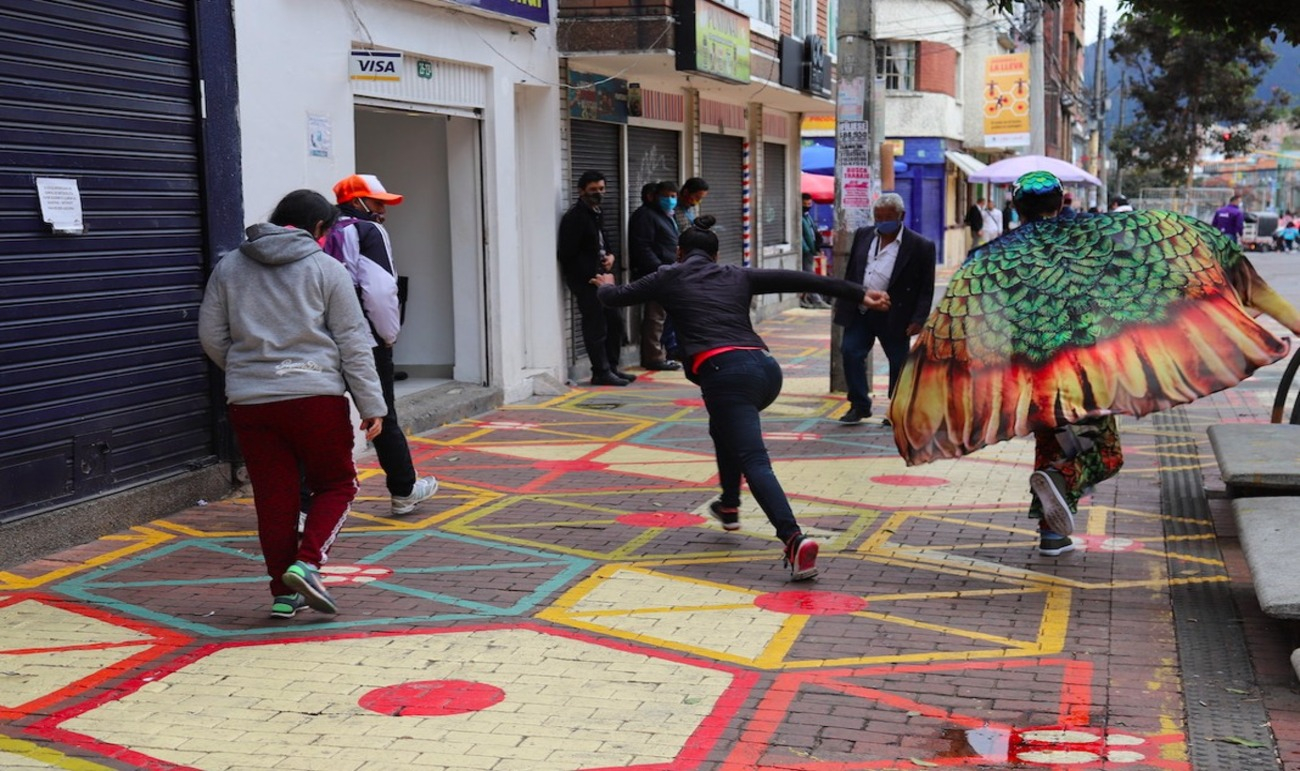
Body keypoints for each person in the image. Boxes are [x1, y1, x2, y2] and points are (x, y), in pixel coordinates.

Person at [593, 215, 889, 581]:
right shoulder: (737, 274)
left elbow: (615, 298)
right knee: (724, 430)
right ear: (716, 257)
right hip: (765, 370)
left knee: (753, 458)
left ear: (679, 253)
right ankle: (729, 505)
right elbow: (804, 278)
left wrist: (605, 282)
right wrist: (862, 293)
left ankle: (794, 538)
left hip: (726, 375)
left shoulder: (670, 273)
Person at [198, 189, 386, 618]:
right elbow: (353, 342)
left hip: (250, 403)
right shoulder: (326, 269)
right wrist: (372, 404)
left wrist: (249, 371)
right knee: (338, 483)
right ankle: (308, 564)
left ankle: (284, 594)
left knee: (274, 497)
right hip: (314, 398)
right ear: (320, 229)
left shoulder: (230, 266)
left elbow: (211, 334)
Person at [1010, 171, 1124, 556]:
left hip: (1036, 375)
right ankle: (1060, 480)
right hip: (1082, 372)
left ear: (1016, 210)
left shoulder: (1006, 256)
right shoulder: (1084, 248)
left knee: (1052, 449)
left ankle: (1053, 535)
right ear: (1061, 204)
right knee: (1104, 453)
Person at [329, 174, 439, 515]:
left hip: (321, 339)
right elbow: (379, 291)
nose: (383, 211)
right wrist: (389, 335)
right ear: (358, 202)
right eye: (377, 203)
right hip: (364, 339)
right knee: (381, 412)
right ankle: (404, 489)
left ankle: (309, 500)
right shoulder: (368, 231)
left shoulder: (324, 229)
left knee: (326, 417)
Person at [832, 193, 937, 425]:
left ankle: (897, 409)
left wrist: (919, 318)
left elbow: (926, 287)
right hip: (861, 310)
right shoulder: (863, 235)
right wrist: (845, 302)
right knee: (850, 351)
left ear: (902, 216)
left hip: (896, 314)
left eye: (888, 217)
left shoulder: (921, 246)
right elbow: (852, 272)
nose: (882, 222)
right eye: (878, 217)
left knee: (898, 362)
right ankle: (859, 405)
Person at [558, 170, 637, 386]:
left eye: (601, 189)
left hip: (603, 279)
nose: (598, 194)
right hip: (588, 282)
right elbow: (567, 254)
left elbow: (604, 242)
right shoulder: (575, 218)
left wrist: (611, 257)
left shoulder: (596, 213)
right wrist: (589, 276)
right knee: (596, 327)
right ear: (581, 190)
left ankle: (612, 367)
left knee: (615, 323)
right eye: (593, 190)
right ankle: (601, 371)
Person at [628, 180, 682, 371]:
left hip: (668, 272)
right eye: (666, 196)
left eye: (673, 196)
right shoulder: (646, 216)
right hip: (656, 273)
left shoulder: (664, 215)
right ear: (653, 197)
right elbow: (642, 246)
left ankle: (664, 352)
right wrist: (658, 269)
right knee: (655, 316)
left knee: (664, 316)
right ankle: (653, 357)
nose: (670, 200)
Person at [800, 193, 830, 309]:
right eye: (805, 204)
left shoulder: (808, 217)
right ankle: (816, 300)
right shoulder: (800, 217)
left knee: (806, 275)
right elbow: (801, 236)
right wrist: (807, 249)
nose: (807, 206)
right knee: (809, 276)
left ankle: (806, 298)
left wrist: (817, 247)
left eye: (809, 204)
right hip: (805, 251)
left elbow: (812, 233)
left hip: (811, 250)